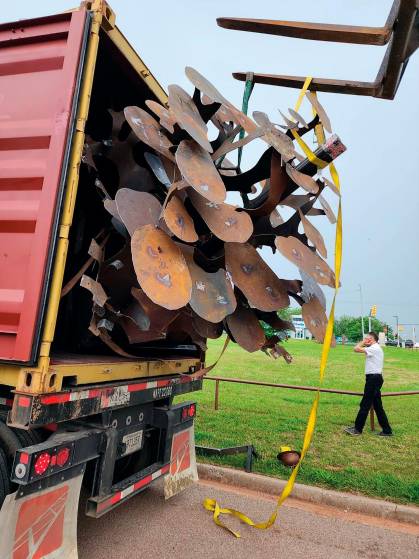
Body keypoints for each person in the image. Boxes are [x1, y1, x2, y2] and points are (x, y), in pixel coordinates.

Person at [344, 331, 393, 437]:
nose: (365, 340)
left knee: (365, 404)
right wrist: (366, 341)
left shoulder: (374, 348)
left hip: (373, 379)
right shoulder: (374, 348)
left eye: (367, 338)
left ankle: (357, 429)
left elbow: (356, 349)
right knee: (378, 406)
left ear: (372, 339)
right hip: (374, 378)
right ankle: (387, 430)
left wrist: (363, 342)